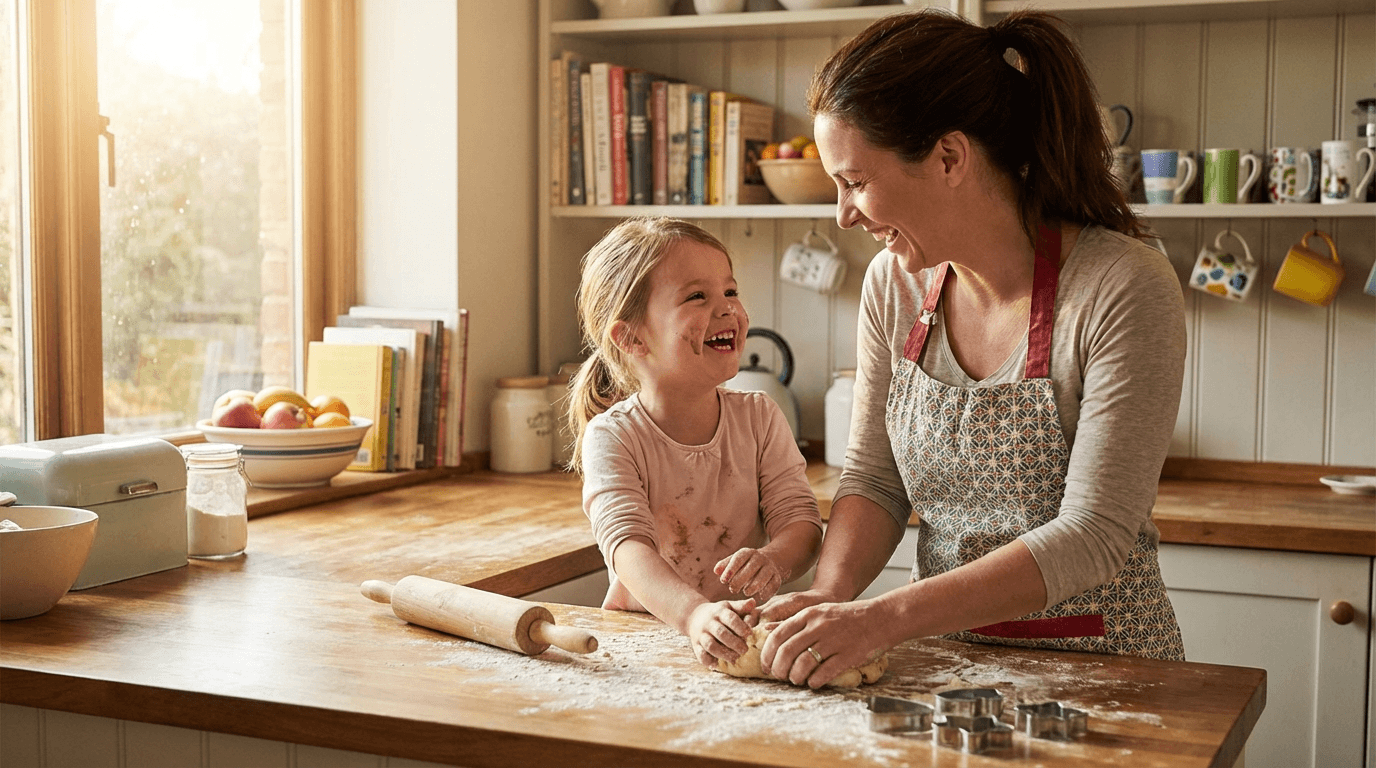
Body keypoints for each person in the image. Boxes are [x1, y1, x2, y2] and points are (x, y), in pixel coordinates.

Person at [757, 9, 1189, 688]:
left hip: (1104, 672)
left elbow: (1095, 533)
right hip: (937, 662)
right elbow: (874, 478)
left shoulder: (1121, 286)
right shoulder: (893, 286)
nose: (843, 214)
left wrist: (883, 617)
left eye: (856, 182)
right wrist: (830, 594)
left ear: (949, 157)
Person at [568, 217, 823, 669]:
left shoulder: (760, 418)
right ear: (631, 336)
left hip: (739, 638)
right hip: (644, 643)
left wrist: (774, 560)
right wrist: (693, 615)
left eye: (730, 291)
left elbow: (801, 524)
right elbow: (629, 549)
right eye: (697, 296)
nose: (728, 309)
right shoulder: (614, 437)